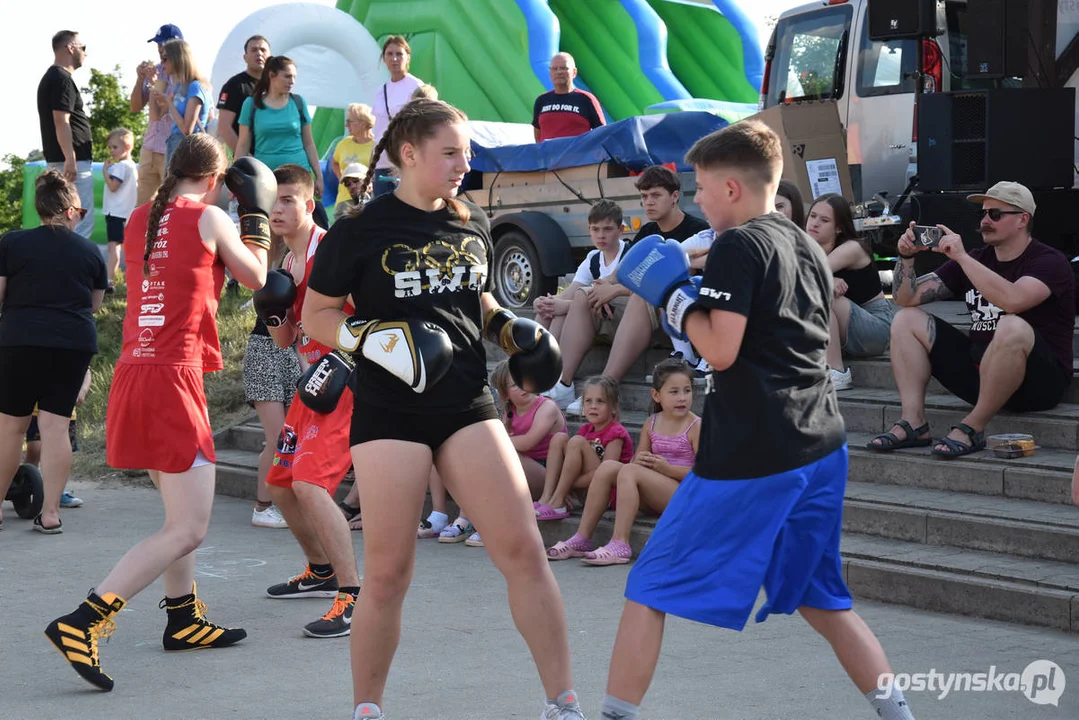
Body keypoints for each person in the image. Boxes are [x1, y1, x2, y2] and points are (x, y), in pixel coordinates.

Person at [602, 120, 916, 720]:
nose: (694, 199)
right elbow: (764, 341)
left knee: (651, 585)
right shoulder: (802, 243)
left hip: (753, 451)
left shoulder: (738, 245)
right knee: (822, 596)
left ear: (730, 188)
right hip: (820, 442)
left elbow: (719, 348)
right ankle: (899, 713)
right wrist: (692, 306)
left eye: (699, 187)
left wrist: (673, 296)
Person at [299, 98, 586, 720]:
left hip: (465, 400)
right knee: (389, 573)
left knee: (525, 552)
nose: (464, 163)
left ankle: (563, 704)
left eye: (466, 151)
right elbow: (315, 316)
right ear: (408, 154)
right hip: (390, 410)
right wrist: (379, 338)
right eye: (450, 152)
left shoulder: (470, 220)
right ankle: (368, 709)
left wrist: (509, 329)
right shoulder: (360, 229)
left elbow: (474, 300)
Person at [44, 135, 271, 692]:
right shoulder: (209, 218)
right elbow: (259, 277)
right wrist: (257, 214)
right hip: (172, 378)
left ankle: (183, 618)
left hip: (135, 372)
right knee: (190, 528)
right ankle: (85, 620)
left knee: (176, 520)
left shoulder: (145, 214)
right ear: (214, 180)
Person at [868, 181, 1074, 457]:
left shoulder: (1049, 261)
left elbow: (1014, 300)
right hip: (982, 371)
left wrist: (963, 258)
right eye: (982, 214)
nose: (985, 221)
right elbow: (907, 299)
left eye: (995, 214)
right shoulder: (977, 258)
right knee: (907, 319)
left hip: (1039, 381)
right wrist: (906, 257)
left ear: (1023, 219)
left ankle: (974, 427)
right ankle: (914, 423)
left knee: (1011, 324)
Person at [256, 163, 363, 638]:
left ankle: (351, 594)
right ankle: (319, 570)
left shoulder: (332, 252)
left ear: (309, 204)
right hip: (311, 385)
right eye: (272, 201)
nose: (277, 209)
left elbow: (365, 320)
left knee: (310, 485)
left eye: (287, 200)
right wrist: (275, 310)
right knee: (279, 483)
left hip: (344, 382)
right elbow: (284, 343)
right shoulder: (284, 265)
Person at [0, 171, 106, 533]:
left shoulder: (12, 242)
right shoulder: (90, 251)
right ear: (72, 211)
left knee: (11, 428)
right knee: (55, 428)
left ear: (39, 208)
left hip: (20, 339)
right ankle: (49, 514)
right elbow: (93, 304)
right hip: (72, 342)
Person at [547, 358, 698, 565]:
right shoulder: (651, 422)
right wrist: (643, 462)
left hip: (685, 497)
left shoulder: (696, 426)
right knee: (610, 467)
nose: (682, 398)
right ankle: (582, 538)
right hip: (653, 496)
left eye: (687, 391)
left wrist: (667, 468)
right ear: (656, 395)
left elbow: (706, 474)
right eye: (674, 392)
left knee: (628, 472)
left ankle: (620, 543)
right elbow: (636, 462)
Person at [539, 202, 658, 411]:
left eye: (607, 229)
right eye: (595, 229)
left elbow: (645, 291)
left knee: (579, 298)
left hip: (631, 318)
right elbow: (570, 292)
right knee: (552, 310)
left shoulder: (628, 254)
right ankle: (547, 377)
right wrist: (546, 302)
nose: (601, 235)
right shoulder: (593, 259)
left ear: (621, 230)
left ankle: (563, 382)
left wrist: (567, 303)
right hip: (601, 315)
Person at [806, 194, 896, 391]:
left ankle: (836, 373)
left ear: (839, 228)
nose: (815, 223)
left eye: (824, 220)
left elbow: (808, 275)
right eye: (812, 216)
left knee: (822, 294)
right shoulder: (806, 250)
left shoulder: (852, 248)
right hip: (849, 326)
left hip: (876, 328)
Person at [241, 230, 300, 530]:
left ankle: (285, 501)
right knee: (278, 436)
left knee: (292, 435)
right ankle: (263, 507)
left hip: (293, 353)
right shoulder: (278, 272)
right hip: (265, 351)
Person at [235, 56, 328, 228]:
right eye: (287, 76)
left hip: (299, 176)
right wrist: (235, 179)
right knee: (270, 226)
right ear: (271, 75)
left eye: (294, 77)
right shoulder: (251, 104)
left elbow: (309, 143)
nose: (292, 81)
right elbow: (242, 145)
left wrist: (319, 176)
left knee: (304, 225)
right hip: (266, 178)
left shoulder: (298, 103)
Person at [534, 376, 632, 521]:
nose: (593, 406)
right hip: (586, 489)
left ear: (613, 408)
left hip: (607, 493)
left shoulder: (616, 433)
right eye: (588, 401)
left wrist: (568, 484)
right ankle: (547, 497)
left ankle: (558, 501)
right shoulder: (585, 430)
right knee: (559, 438)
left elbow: (608, 471)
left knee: (577, 442)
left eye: (600, 401)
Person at [37, 30, 94, 239]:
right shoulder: (61, 79)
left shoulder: (52, 77)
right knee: (78, 222)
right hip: (70, 164)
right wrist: (71, 158)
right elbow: (61, 121)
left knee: (58, 222)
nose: (86, 53)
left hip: (62, 161)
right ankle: (76, 270)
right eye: (83, 47)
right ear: (70, 47)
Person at [131, 24, 183, 206]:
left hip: (171, 148)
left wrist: (154, 83)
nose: (161, 49)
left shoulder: (186, 76)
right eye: (158, 45)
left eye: (164, 44)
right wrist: (140, 79)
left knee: (168, 204)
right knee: (141, 206)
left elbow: (160, 112)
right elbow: (135, 106)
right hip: (150, 146)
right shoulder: (157, 70)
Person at [24, 368, 91, 509]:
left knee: (61, 454)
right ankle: (24, 486)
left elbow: (85, 370)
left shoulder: (73, 346)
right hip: (36, 409)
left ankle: (57, 492)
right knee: (35, 449)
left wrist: (82, 391)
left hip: (65, 411)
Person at [370, 36, 423, 197]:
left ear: (407, 57)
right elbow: (377, 130)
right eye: (389, 54)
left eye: (399, 54)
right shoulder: (380, 91)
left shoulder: (416, 86)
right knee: (382, 214)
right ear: (384, 58)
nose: (394, 59)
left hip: (405, 162)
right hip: (381, 162)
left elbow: (421, 127)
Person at [154, 39, 212, 169]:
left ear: (177, 58)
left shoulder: (196, 87)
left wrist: (169, 102)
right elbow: (157, 116)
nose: (162, 64)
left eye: (165, 59)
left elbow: (187, 129)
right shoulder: (180, 86)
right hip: (176, 145)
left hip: (187, 149)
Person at [216, 35, 271, 154]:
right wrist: (246, 157)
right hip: (247, 160)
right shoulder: (234, 85)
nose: (259, 53)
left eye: (263, 50)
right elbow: (224, 128)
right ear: (245, 57)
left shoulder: (275, 85)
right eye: (254, 50)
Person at [533, 52, 604, 143]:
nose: (559, 72)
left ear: (574, 72)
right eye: (555, 69)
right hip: (549, 156)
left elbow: (602, 133)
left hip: (579, 156)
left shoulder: (586, 99)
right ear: (550, 73)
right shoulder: (541, 101)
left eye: (564, 68)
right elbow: (537, 134)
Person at [102, 128, 138, 292]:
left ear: (127, 147)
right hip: (127, 213)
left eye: (115, 147)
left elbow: (113, 186)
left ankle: (109, 281)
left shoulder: (120, 167)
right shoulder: (132, 166)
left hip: (116, 213)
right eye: (110, 147)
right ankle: (131, 279)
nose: (111, 151)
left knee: (113, 248)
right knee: (127, 249)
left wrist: (105, 173)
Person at [332, 103, 376, 207]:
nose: (346, 125)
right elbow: (334, 162)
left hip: (368, 201)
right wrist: (342, 178)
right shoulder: (343, 144)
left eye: (349, 121)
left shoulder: (377, 145)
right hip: (344, 201)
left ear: (363, 123)